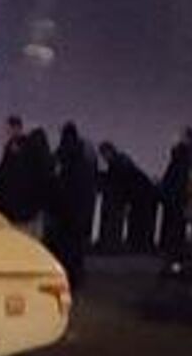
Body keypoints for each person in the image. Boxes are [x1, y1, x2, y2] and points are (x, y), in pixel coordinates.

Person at [50, 121, 99, 290]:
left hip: (67, 212)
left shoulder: (65, 154)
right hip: (83, 210)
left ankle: (66, 278)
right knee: (77, 248)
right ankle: (77, 278)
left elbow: (58, 180)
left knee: (65, 248)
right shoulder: (87, 155)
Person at [98, 141, 158, 253]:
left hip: (139, 194)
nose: (104, 158)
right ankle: (138, 245)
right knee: (139, 221)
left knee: (136, 221)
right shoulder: (122, 161)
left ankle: (134, 245)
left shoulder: (117, 164)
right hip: (141, 193)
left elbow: (122, 183)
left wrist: (125, 201)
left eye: (104, 154)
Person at [0, 115, 35, 223]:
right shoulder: (10, 144)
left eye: (10, 128)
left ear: (17, 127)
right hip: (9, 187)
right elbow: (4, 165)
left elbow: (29, 165)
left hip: (21, 188)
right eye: (8, 129)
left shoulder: (27, 143)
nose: (8, 131)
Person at [158, 131, 192, 265]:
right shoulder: (190, 163)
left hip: (174, 201)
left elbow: (171, 181)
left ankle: (174, 260)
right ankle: (179, 259)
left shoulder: (178, 164)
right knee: (180, 232)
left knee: (173, 231)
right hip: (181, 201)